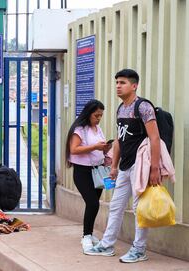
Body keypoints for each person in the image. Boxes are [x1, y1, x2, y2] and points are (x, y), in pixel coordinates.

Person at [85, 69, 161, 263]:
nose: (118, 85)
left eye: (123, 82)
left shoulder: (143, 107)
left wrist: (154, 168)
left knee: (139, 209)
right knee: (116, 206)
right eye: (117, 82)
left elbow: (155, 138)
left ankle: (139, 249)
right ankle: (107, 244)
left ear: (134, 85)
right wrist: (114, 166)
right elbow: (119, 140)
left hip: (140, 165)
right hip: (125, 166)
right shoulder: (120, 109)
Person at [65, 99, 111, 253]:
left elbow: (99, 147)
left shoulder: (97, 128)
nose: (98, 119)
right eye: (96, 115)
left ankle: (89, 234)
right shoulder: (80, 129)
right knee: (92, 203)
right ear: (88, 113)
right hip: (83, 172)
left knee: (94, 204)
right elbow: (74, 149)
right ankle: (86, 236)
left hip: (98, 171)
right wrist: (95, 147)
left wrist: (105, 149)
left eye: (100, 116)